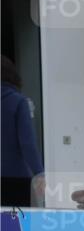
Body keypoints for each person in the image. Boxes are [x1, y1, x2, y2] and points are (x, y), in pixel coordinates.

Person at [2, 56, 43, 207]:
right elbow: (27, 143)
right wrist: (39, 173)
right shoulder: (18, 102)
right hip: (15, 178)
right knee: (16, 227)